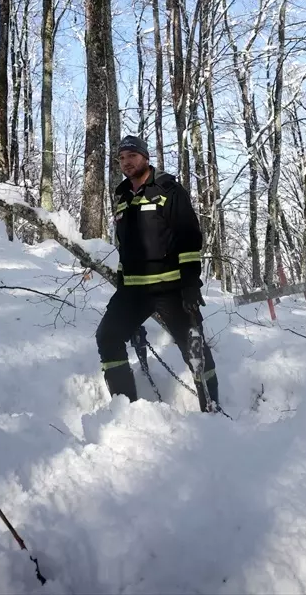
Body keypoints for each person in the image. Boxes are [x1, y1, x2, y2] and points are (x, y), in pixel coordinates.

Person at [95, 136, 220, 412]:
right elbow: (126, 249)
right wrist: (122, 293)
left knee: (194, 349)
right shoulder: (122, 197)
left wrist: (189, 284)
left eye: (132, 156)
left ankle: (212, 408)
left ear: (145, 157)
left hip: (172, 288)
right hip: (133, 292)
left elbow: (188, 238)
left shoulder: (168, 190)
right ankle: (125, 410)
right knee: (108, 336)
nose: (126, 162)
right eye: (122, 158)